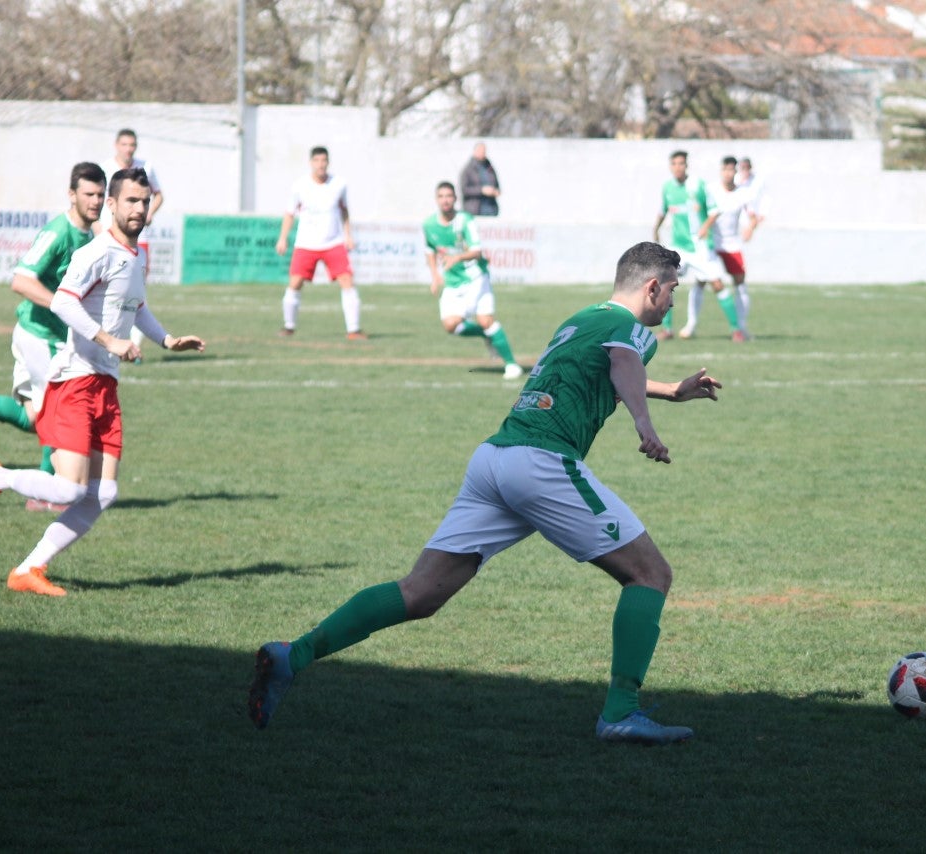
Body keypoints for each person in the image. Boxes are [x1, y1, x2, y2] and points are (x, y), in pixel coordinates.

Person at [249, 241, 721, 745]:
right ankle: (621, 712)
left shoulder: (582, 319)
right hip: (540, 462)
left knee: (421, 592)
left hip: (494, 460)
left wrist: (670, 391)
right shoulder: (630, 332)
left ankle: (291, 655)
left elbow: (602, 365)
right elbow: (624, 363)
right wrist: (644, 425)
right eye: (672, 289)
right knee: (650, 574)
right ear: (652, 286)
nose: (673, 300)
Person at [0, 168, 206, 597]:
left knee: (103, 492)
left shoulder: (136, 255)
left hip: (106, 386)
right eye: (130, 201)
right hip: (76, 380)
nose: (139, 209)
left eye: (144, 201)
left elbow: (136, 305)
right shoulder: (97, 252)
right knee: (71, 488)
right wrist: (110, 339)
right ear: (111, 205)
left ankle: (28, 570)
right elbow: (63, 301)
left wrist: (166, 339)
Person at [0, 162, 106, 506]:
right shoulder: (58, 232)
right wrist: (62, 305)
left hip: (52, 334)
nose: (96, 201)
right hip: (39, 334)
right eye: (89, 194)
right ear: (71, 195)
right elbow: (21, 280)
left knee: (33, 417)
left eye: (101, 194)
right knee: (59, 413)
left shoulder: (91, 235)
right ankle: (44, 494)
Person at [423, 182, 523, 379]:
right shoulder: (429, 225)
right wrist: (435, 275)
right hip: (453, 282)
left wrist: (457, 257)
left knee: (485, 319)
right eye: (441, 196)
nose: (445, 200)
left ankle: (512, 365)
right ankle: (487, 335)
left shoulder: (464, 220)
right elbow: (430, 249)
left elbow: (477, 252)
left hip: (475, 278)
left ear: (455, 199)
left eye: (449, 196)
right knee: (451, 325)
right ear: (436, 199)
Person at [276, 146, 365, 340]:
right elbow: (290, 213)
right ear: (311, 163)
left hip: (333, 242)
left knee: (347, 281)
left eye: (324, 160)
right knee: (295, 282)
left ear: (328, 162)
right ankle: (289, 326)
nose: (320, 164)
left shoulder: (339, 184)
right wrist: (283, 238)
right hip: (306, 243)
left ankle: (354, 330)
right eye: (317, 161)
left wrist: (348, 235)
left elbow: (344, 211)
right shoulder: (299, 186)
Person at [98, 129, 165, 362]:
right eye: (125, 144)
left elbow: (159, 195)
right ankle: (108, 341)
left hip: (139, 239)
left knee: (136, 294)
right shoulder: (106, 168)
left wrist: (150, 214)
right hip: (109, 236)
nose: (129, 148)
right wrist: (97, 228)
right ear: (117, 145)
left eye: (132, 145)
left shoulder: (146, 167)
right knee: (106, 292)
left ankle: (133, 347)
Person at [651, 150, 724, 340]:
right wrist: (656, 230)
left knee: (717, 284)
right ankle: (667, 329)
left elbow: (715, 210)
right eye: (674, 164)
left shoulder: (698, 185)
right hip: (679, 247)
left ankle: (737, 329)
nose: (678, 167)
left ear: (686, 165)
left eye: (681, 163)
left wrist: (705, 228)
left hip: (700, 246)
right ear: (670, 166)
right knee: (664, 283)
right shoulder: (667, 187)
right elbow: (662, 211)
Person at [696, 156, 761, 342]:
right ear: (721, 171)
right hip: (711, 244)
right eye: (725, 169)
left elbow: (753, 216)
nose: (728, 173)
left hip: (732, 244)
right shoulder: (711, 189)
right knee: (701, 281)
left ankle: (741, 326)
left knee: (740, 283)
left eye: (732, 170)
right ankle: (691, 325)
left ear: (736, 172)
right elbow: (701, 211)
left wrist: (750, 227)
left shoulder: (744, 193)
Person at [459, 142, 501, 217]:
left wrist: (495, 191)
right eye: (480, 150)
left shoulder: (489, 168)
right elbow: (464, 189)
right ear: (475, 151)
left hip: (491, 209)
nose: (482, 152)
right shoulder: (468, 169)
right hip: (474, 210)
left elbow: (497, 185)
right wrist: (481, 190)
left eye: (484, 151)